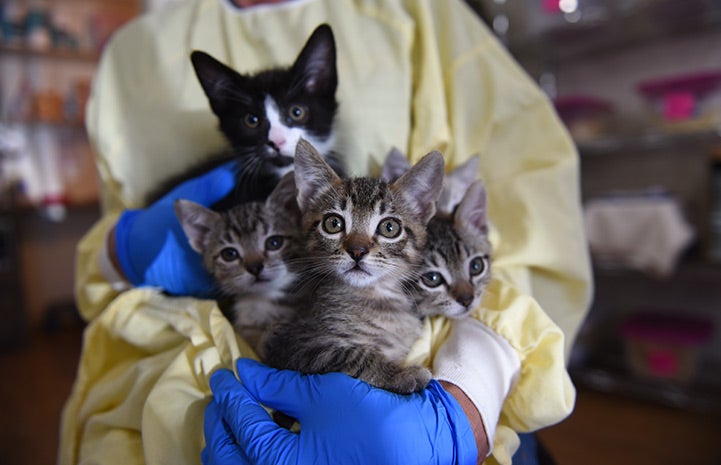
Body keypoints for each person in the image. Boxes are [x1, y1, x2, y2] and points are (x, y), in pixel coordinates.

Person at [59, 0, 592, 464]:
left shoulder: (425, 11)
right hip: (156, 375)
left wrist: (471, 398)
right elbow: (96, 259)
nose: (277, 142)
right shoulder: (132, 49)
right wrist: (120, 248)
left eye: (293, 115)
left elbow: (529, 226)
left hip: (440, 359)